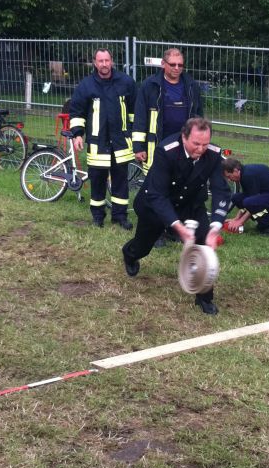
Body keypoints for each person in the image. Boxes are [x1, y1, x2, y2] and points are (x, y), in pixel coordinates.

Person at [122, 117, 231, 315]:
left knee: (204, 247)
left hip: (190, 205)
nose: (201, 149)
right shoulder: (167, 151)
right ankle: (130, 254)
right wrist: (177, 227)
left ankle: (204, 296)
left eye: (205, 144)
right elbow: (157, 194)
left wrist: (215, 228)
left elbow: (221, 190)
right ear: (184, 137)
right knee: (143, 246)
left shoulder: (214, 154)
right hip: (156, 204)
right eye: (196, 144)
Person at [68, 49, 137, 229]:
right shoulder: (86, 85)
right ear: (94, 63)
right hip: (98, 143)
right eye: (101, 61)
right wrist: (77, 134)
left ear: (112, 61)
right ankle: (98, 216)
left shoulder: (126, 82)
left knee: (121, 181)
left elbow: (134, 112)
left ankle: (120, 216)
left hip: (121, 143)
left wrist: (132, 134)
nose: (104, 64)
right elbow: (77, 112)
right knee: (97, 180)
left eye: (107, 60)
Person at [132, 48, 203, 171]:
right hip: (158, 143)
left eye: (180, 65)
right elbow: (140, 117)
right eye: (172, 64)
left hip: (184, 144)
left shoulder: (192, 86)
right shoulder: (150, 86)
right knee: (158, 182)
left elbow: (199, 115)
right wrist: (138, 147)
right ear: (163, 64)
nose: (177, 68)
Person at [222, 157, 269, 233]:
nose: (229, 180)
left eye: (229, 176)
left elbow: (252, 204)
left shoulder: (248, 175)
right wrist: (236, 219)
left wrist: (240, 222)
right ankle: (264, 223)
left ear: (235, 170)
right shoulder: (244, 173)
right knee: (236, 198)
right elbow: (248, 198)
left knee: (249, 202)